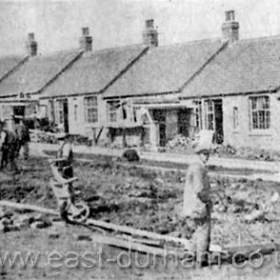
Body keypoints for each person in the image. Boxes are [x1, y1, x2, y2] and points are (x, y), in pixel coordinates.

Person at [181, 131, 213, 264]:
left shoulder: (193, 166)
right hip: (198, 206)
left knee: (195, 230)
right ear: (199, 154)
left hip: (190, 206)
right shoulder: (198, 168)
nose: (207, 157)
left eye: (208, 154)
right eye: (204, 154)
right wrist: (207, 200)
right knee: (203, 231)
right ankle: (202, 259)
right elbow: (199, 189)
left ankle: (191, 255)